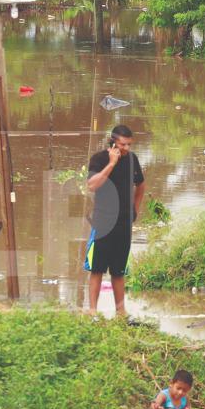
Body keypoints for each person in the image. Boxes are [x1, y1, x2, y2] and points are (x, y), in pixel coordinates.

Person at [86, 124, 145, 315]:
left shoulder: (132, 159)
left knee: (119, 271)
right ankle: (93, 311)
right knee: (97, 269)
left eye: (129, 144)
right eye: (122, 144)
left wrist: (135, 210)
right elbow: (92, 185)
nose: (126, 148)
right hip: (103, 222)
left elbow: (141, 185)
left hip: (124, 224)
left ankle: (121, 312)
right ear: (112, 142)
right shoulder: (99, 159)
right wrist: (111, 164)